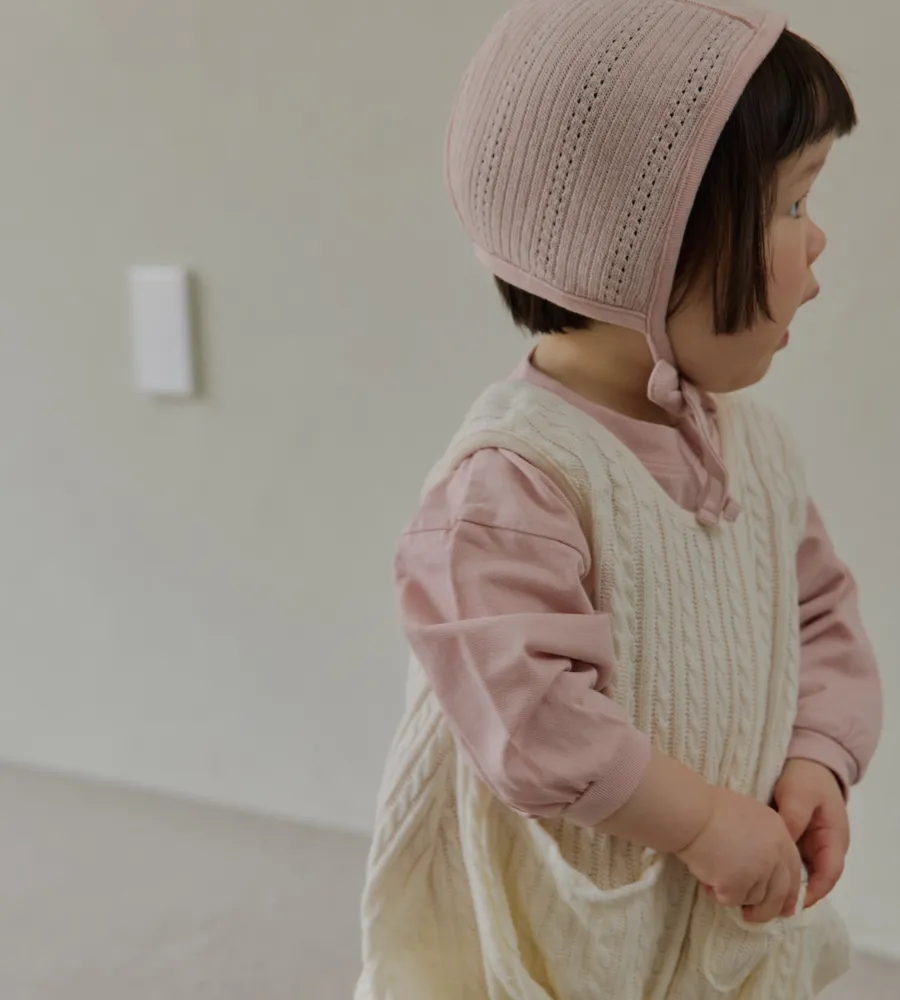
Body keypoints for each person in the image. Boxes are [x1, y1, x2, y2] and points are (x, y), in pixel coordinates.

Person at [356, 2, 883, 998]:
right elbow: (528, 712)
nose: (817, 242)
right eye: (790, 205)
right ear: (639, 246)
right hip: (563, 936)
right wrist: (700, 819)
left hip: (718, 912)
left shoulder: (755, 448)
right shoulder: (515, 482)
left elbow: (818, 613)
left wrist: (817, 756)